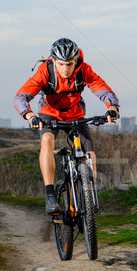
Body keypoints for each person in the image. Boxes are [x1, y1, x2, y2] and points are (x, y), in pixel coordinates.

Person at [14, 38, 119, 213]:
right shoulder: (45, 71)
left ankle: (89, 194)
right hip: (49, 113)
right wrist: (29, 114)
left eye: (69, 64)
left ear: (76, 60)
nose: (65, 69)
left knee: (89, 153)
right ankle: (50, 195)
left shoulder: (84, 70)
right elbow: (21, 96)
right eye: (61, 64)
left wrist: (112, 107)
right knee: (47, 139)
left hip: (75, 114)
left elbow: (101, 88)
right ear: (54, 61)